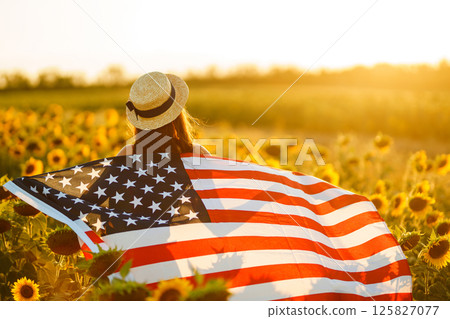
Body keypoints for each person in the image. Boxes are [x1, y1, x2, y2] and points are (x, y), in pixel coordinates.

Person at [3, 72, 412, 301]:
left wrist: (21, 189)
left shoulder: (119, 169)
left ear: (135, 120)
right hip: (201, 268)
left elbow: (73, 191)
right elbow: (241, 195)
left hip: (148, 273)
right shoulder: (209, 163)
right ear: (180, 115)